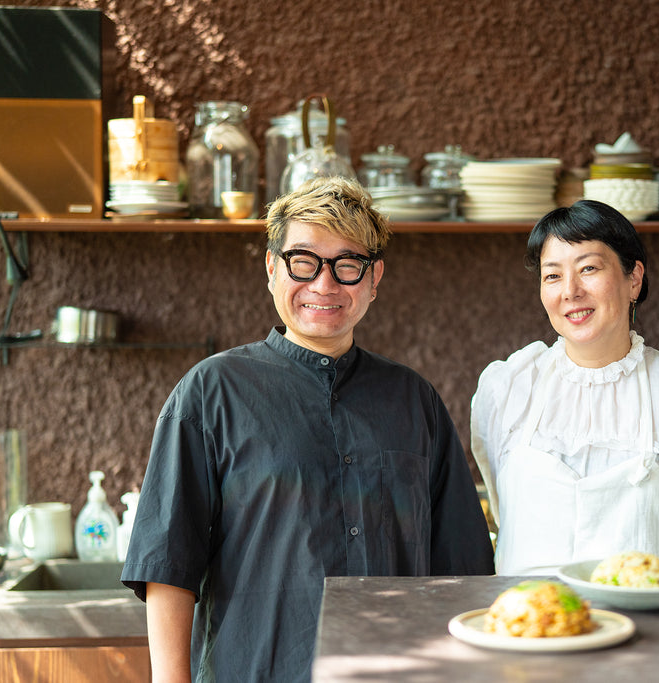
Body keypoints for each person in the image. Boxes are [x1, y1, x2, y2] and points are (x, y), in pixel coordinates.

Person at [121, 177, 494, 682]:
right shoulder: (211, 393)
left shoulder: (414, 400)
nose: (325, 284)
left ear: (374, 276)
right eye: (304, 261)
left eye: (347, 264)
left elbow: (463, 572)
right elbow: (168, 567)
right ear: (272, 267)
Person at [470, 199, 659, 576]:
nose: (570, 291)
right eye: (552, 276)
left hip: (650, 628)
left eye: (588, 269)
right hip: (531, 625)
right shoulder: (511, 388)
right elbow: (505, 515)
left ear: (634, 279)